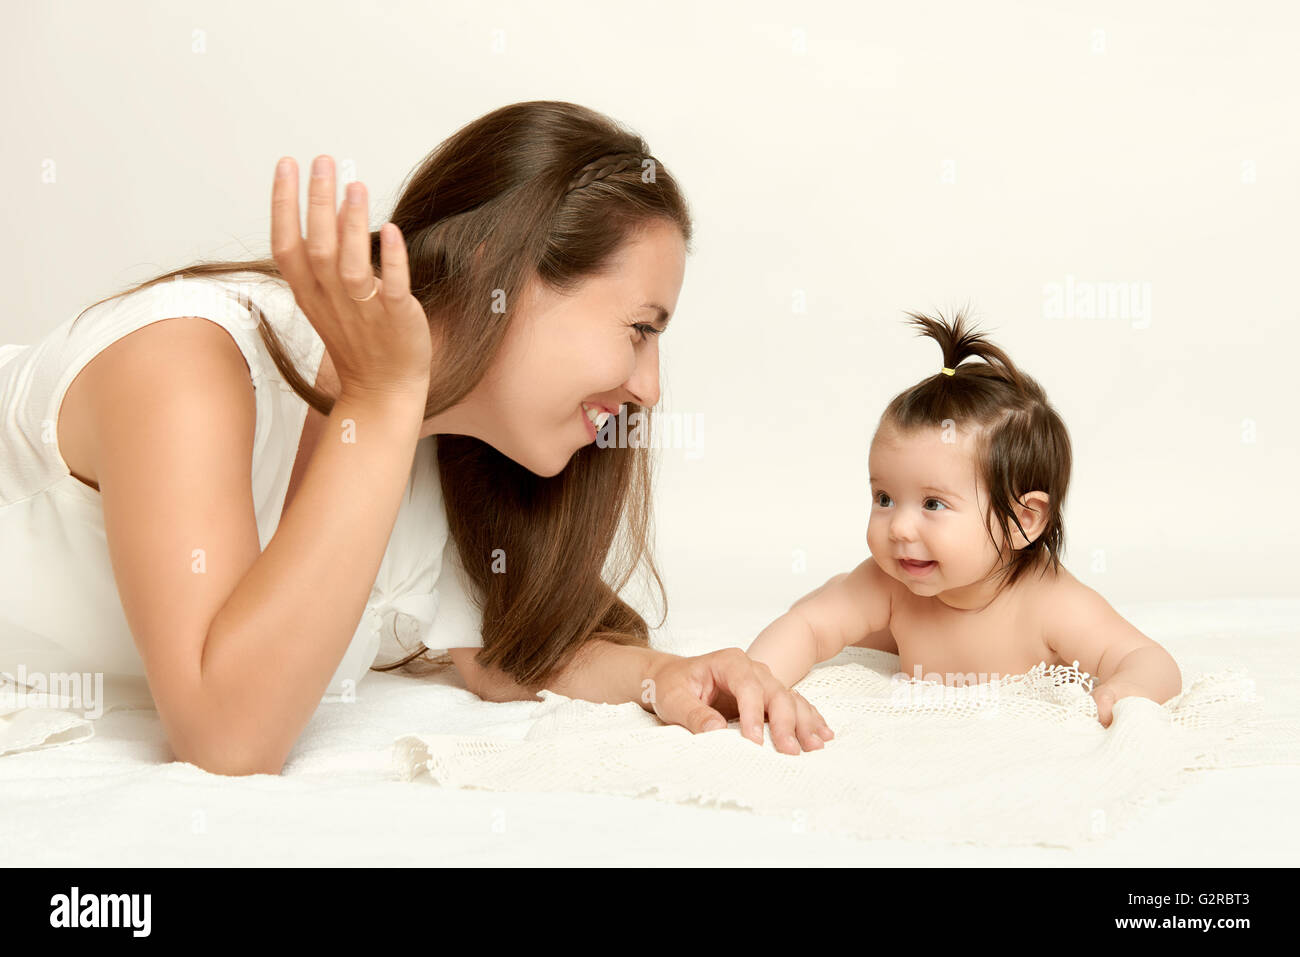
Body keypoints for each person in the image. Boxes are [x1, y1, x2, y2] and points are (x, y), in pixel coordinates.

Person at [0, 101, 831, 774]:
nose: (649, 388)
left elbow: (506, 653)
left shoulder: (448, 446)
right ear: (496, 272)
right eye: (640, 329)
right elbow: (227, 737)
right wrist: (382, 393)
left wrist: (662, 675)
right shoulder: (188, 363)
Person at [747, 310, 1182, 727]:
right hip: (880, 649)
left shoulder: (1051, 602)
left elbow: (1150, 661)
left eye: (932, 504)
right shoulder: (890, 585)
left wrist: (1125, 689)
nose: (898, 528)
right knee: (820, 604)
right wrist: (757, 681)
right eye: (884, 497)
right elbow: (806, 627)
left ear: (1023, 520)